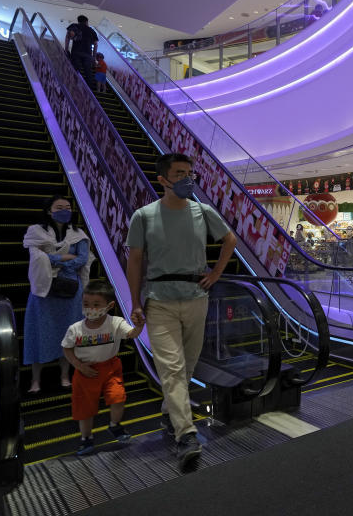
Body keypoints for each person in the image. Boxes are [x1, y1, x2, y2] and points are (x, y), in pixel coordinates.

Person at [126, 153, 238, 470]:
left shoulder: (203, 212)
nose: (187, 178)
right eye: (179, 173)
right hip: (159, 300)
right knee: (172, 369)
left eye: (190, 173)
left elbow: (230, 240)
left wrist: (215, 273)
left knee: (186, 366)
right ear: (163, 179)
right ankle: (186, 434)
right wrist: (135, 302)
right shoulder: (144, 216)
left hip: (196, 298)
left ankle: (169, 410)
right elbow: (134, 261)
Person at [61, 281, 145, 455]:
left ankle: (114, 425)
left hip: (111, 368)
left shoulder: (115, 323)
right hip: (85, 372)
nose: (90, 308)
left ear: (109, 306)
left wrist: (139, 326)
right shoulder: (75, 329)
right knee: (84, 408)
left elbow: (131, 334)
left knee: (118, 397)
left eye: (96, 305)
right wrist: (78, 365)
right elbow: (67, 348)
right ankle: (86, 438)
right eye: (86, 304)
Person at [23, 196, 95, 393]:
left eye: (68, 207)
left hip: (71, 290)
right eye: (59, 207)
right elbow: (36, 257)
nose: (65, 210)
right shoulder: (36, 231)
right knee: (39, 333)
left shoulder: (78, 233)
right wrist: (62, 257)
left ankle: (65, 375)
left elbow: (81, 259)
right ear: (49, 211)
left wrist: (55, 260)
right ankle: (35, 380)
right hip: (43, 290)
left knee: (68, 334)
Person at [64, 15, 98, 91]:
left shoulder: (74, 26)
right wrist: (94, 57)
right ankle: (89, 91)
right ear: (86, 21)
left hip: (76, 52)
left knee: (75, 69)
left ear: (78, 20)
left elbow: (68, 37)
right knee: (88, 72)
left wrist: (66, 49)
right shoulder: (91, 30)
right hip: (88, 54)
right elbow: (95, 44)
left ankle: (73, 85)